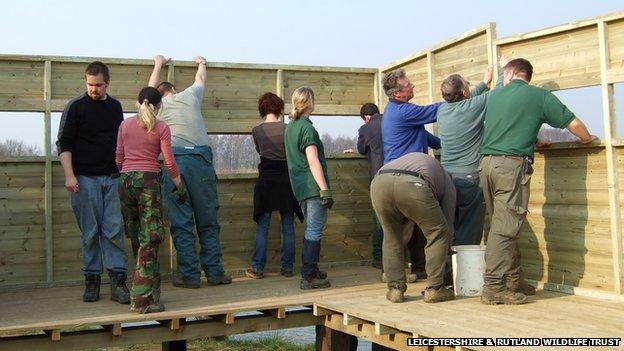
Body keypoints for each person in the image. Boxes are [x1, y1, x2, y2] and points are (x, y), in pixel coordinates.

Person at [479, 58, 596, 305]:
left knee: (501, 225)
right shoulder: (540, 96)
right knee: (506, 228)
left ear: (509, 74)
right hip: (510, 167)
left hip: (486, 164)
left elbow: (506, 127)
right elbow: (574, 125)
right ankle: (492, 288)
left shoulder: (495, 95)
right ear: (527, 76)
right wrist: (587, 139)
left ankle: (513, 281)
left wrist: (532, 141)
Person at [148, 55, 231, 288]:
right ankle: (214, 273)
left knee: (182, 223)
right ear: (174, 90)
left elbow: (148, 89)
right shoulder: (190, 96)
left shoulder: (156, 107)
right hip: (201, 161)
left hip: (174, 163)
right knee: (208, 221)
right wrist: (202, 63)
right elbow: (201, 78)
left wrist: (158, 64)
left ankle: (190, 276)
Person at [56, 61, 130, 304]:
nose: (93, 89)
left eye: (98, 85)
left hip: (111, 179)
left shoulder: (115, 107)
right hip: (83, 180)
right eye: (89, 84)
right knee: (90, 233)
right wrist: (69, 175)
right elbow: (63, 143)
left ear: (107, 83)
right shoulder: (75, 106)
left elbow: (119, 143)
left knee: (114, 231)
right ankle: (92, 282)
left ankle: (118, 283)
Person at [116, 87, 184, 313]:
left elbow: (119, 157)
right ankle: (142, 300)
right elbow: (170, 162)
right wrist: (179, 186)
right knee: (151, 238)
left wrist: (128, 172)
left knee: (137, 236)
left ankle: (153, 293)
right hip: (148, 183)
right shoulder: (161, 127)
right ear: (159, 106)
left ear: (138, 103)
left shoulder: (124, 125)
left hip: (125, 181)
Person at [371, 152, 456, 303]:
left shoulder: (421, 163)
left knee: (391, 236)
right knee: (438, 232)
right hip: (413, 183)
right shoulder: (448, 182)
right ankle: (436, 289)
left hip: (379, 182)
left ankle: (395, 289)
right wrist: (448, 269)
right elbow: (446, 228)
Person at [437, 64, 497, 246]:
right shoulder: (472, 107)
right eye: (467, 86)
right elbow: (499, 91)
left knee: (450, 224)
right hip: (469, 177)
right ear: (464, 92)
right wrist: (505, 70)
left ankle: (448, 270)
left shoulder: (442, 110)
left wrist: (483, 83)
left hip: (446, 177)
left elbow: (471, 98)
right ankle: (463, 273)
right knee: (469, 227)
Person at [246, 92, 304, 279]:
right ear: (279, 107)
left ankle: (257, 268)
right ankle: (288, 268)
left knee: (263, 224)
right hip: (287, 179)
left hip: (266, 180)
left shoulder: (257, 131)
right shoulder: (289, 128)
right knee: (288, 223)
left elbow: (259, 151)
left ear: (262, 109)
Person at [284, 87, 333, 290]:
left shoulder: (290, 127)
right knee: (314, 230)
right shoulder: (307, 128)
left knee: (312, 228)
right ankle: (308, 275)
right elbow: (313, 161)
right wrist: (324, 189)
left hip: (299, 187)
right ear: (309, 103)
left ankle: (312, 270)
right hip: (313, 187)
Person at [380, 69, 442, 164]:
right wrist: (457, 98)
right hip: (405, 170)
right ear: (397, 93)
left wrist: (443, 144)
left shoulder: (391, 108)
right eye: (408, 85)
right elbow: (435, 111)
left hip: (394, 168)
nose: (412, 85)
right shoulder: (404, 111)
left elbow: (421, 134)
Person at [356, 103, 384, 269]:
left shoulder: (366, 129)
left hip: (379, 177)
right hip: (401, 173)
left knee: (380, 219)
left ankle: (378, 257)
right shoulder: (392, 122)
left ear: (366, 117)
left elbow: (360, 149)